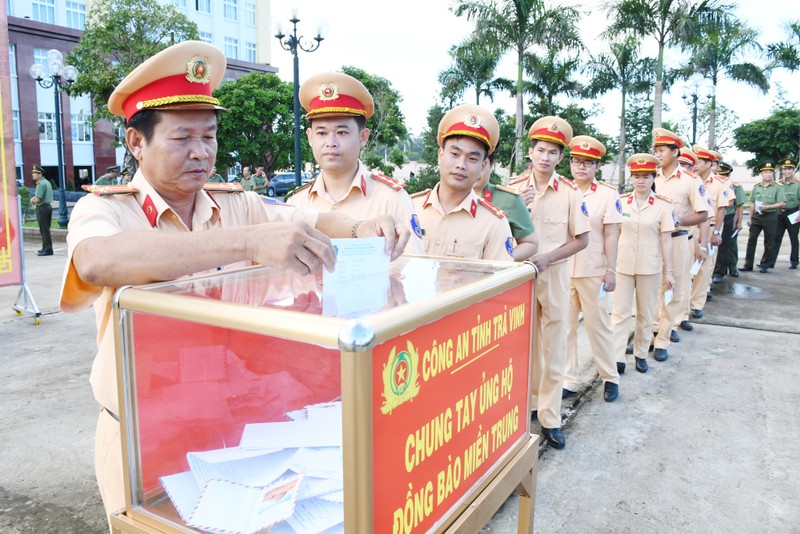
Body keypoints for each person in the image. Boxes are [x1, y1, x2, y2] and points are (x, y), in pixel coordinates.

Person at [58, 41, 409, 526]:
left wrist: (361, 228)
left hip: (232, 433)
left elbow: (309, 219)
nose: (201, 152)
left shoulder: (233, 203)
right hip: (145, 436)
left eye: (210, 135)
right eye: (182, 138)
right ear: (136, 143)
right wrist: (247, 242)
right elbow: (97, 261)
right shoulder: (106, 209)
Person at [509, 115, 589, 449]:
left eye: (552, 152)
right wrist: (515, 210)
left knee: (554, 350)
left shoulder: (570, 193)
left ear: (560, 158)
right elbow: (499, 236)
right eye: (540, 150)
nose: (545, 157)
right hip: (518, 281)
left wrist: (548, 257)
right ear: (531, 152)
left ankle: (550, 418)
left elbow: (581, 240)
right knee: (522, 348)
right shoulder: (512, 191)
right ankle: (527, 408)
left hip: (553, 277)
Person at [287, 72, 424, 254]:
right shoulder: (295, 203)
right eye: (321, 133)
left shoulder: (392, 199)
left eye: (342, 132)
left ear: (363, 137)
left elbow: (411, 269)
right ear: (310, 137)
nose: (331, 142)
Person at [562, 135, 622, 403]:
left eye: (588, 163)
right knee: (565, 328)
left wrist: (611, 270)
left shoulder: (607, 195)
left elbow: (611, 235)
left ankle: (610, 377)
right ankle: (568, 379)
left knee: (598, 327)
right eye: (576, 162)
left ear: (597, 166)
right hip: (563, 270)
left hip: (593, 270)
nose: (581, 168)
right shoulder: (562, 190)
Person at [410, 103, 513, 260]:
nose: (461, 165)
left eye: (472, 158)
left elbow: (502, 282)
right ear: (440, 155)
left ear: (483, 166)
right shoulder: (409, 208)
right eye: (455, 154)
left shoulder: (494, 224)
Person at [613, 154, 676, 374]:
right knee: (620, 313)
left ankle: (640, 353)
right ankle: (618, 356)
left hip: (650, 267)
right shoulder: (621, 202)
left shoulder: (663, 206)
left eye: (645, 177)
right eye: (636, 176)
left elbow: (666, 239)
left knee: (645, 314)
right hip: (623, 266)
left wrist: (670, 272)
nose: (641, 181)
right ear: (631, 178)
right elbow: (615, 234)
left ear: (653, 178)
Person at [651, 128, 708, 362]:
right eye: (655, 150)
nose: (657, 154)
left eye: (661, 150)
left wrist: (675, 220)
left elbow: (703, 214)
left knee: (672, 290)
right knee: (649, 290)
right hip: (650, 242)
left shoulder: (690, 181)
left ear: (675, 152)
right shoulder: (650, 176)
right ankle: (648, 334)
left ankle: (663, 339)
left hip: (677, 240)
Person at [688, 145, 732, 319]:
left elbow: (721, 210)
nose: (695, 164)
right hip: (689, 229)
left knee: (703, 269)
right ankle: (683, 305)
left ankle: (696, 304)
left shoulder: (720, 184)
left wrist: (717, 232)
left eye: (699, 161)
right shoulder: (690, 180)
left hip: (710, 227)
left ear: (708, 164)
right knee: (685, 269)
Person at [472, 152, 538, 260]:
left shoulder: (509, 199)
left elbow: (530, 243)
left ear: (491, 165)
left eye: (482, 164)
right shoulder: (440, 199)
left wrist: (501, 260)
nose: (476, 170)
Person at [742, 161, 786, 273]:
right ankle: (748, 264)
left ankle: (764, 264)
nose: (768, 174)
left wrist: (769, 207)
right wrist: (750, 218)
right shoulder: (757, 187)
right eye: (766, 172)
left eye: (770, 172)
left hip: (771, 216)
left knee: (769, 241)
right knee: (751, 240)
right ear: (761, 174)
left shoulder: (777, 187)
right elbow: (752, 203)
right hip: (757, 217)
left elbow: (782, 203)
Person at [713, 161, 745, 281]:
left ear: (729, 175)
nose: (722, 177)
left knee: (726, 245)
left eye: (724, 175)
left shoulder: (735, 187)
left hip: (728, 217)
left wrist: (739, 222)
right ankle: (715, 269)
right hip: (714, 217)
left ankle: (722, 271)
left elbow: (740, 205)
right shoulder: (713, 184)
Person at [769, 159, 799, 269]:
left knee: (794, 238)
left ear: (793, 170)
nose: (787, 171)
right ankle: (771, 261)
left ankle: (794, 261)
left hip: (793, 213)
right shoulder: (778, 184)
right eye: (785, 169)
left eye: (789, 169)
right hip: (780, 214)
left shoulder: (798, 184)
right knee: (776, 238)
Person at [30, 164, 53, 256]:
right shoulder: (46, 182)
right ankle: (45, 248)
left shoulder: (41, 184)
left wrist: (32, 200)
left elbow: (38, 199)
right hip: (47, 207)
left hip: (42, 208)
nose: (33, 175)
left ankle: (47, 249)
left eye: (35, 173)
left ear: (40, 174)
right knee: (45, 229)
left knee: (44, 230)